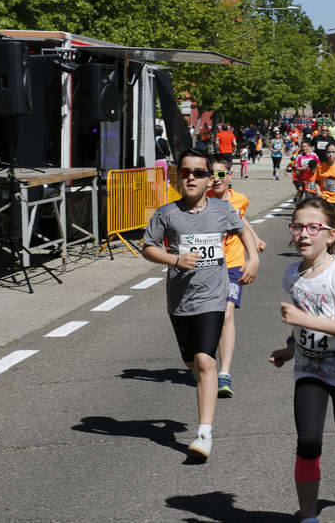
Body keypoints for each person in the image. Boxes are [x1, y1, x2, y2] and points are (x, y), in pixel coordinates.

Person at [142, 149, 260, 461]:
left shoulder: (222, 209)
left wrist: (254, 257)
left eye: (198, 172)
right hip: (180, 300)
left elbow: (242, 230)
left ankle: (204, 433)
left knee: (206, 361)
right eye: (185, 172)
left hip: (214, 296)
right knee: (191, 363)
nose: (191, 177)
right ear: (176, 177)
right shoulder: (166, 214)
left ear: (209, 179)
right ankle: (203, 387)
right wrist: (175, 259)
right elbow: (148, 248)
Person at [269, 197, 335, 523]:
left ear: (329, 235)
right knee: (309, 440)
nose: (303, 234)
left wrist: (305, 320)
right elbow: (302, 323)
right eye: (297, 226)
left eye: (313, 227)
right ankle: (309, 516)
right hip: (310, 369)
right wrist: (289, 348)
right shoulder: (293, 275)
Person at [206, 156, 267, 398]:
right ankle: (205, 360)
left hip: (233, 264)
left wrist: (254, 239)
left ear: (229, 176)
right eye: (212, 175)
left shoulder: (240, 199)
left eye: (221, 175)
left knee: (227, 312)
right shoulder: (204, 200)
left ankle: (225, 373)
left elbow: (240, 218)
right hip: (209, 264)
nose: (216, 180)